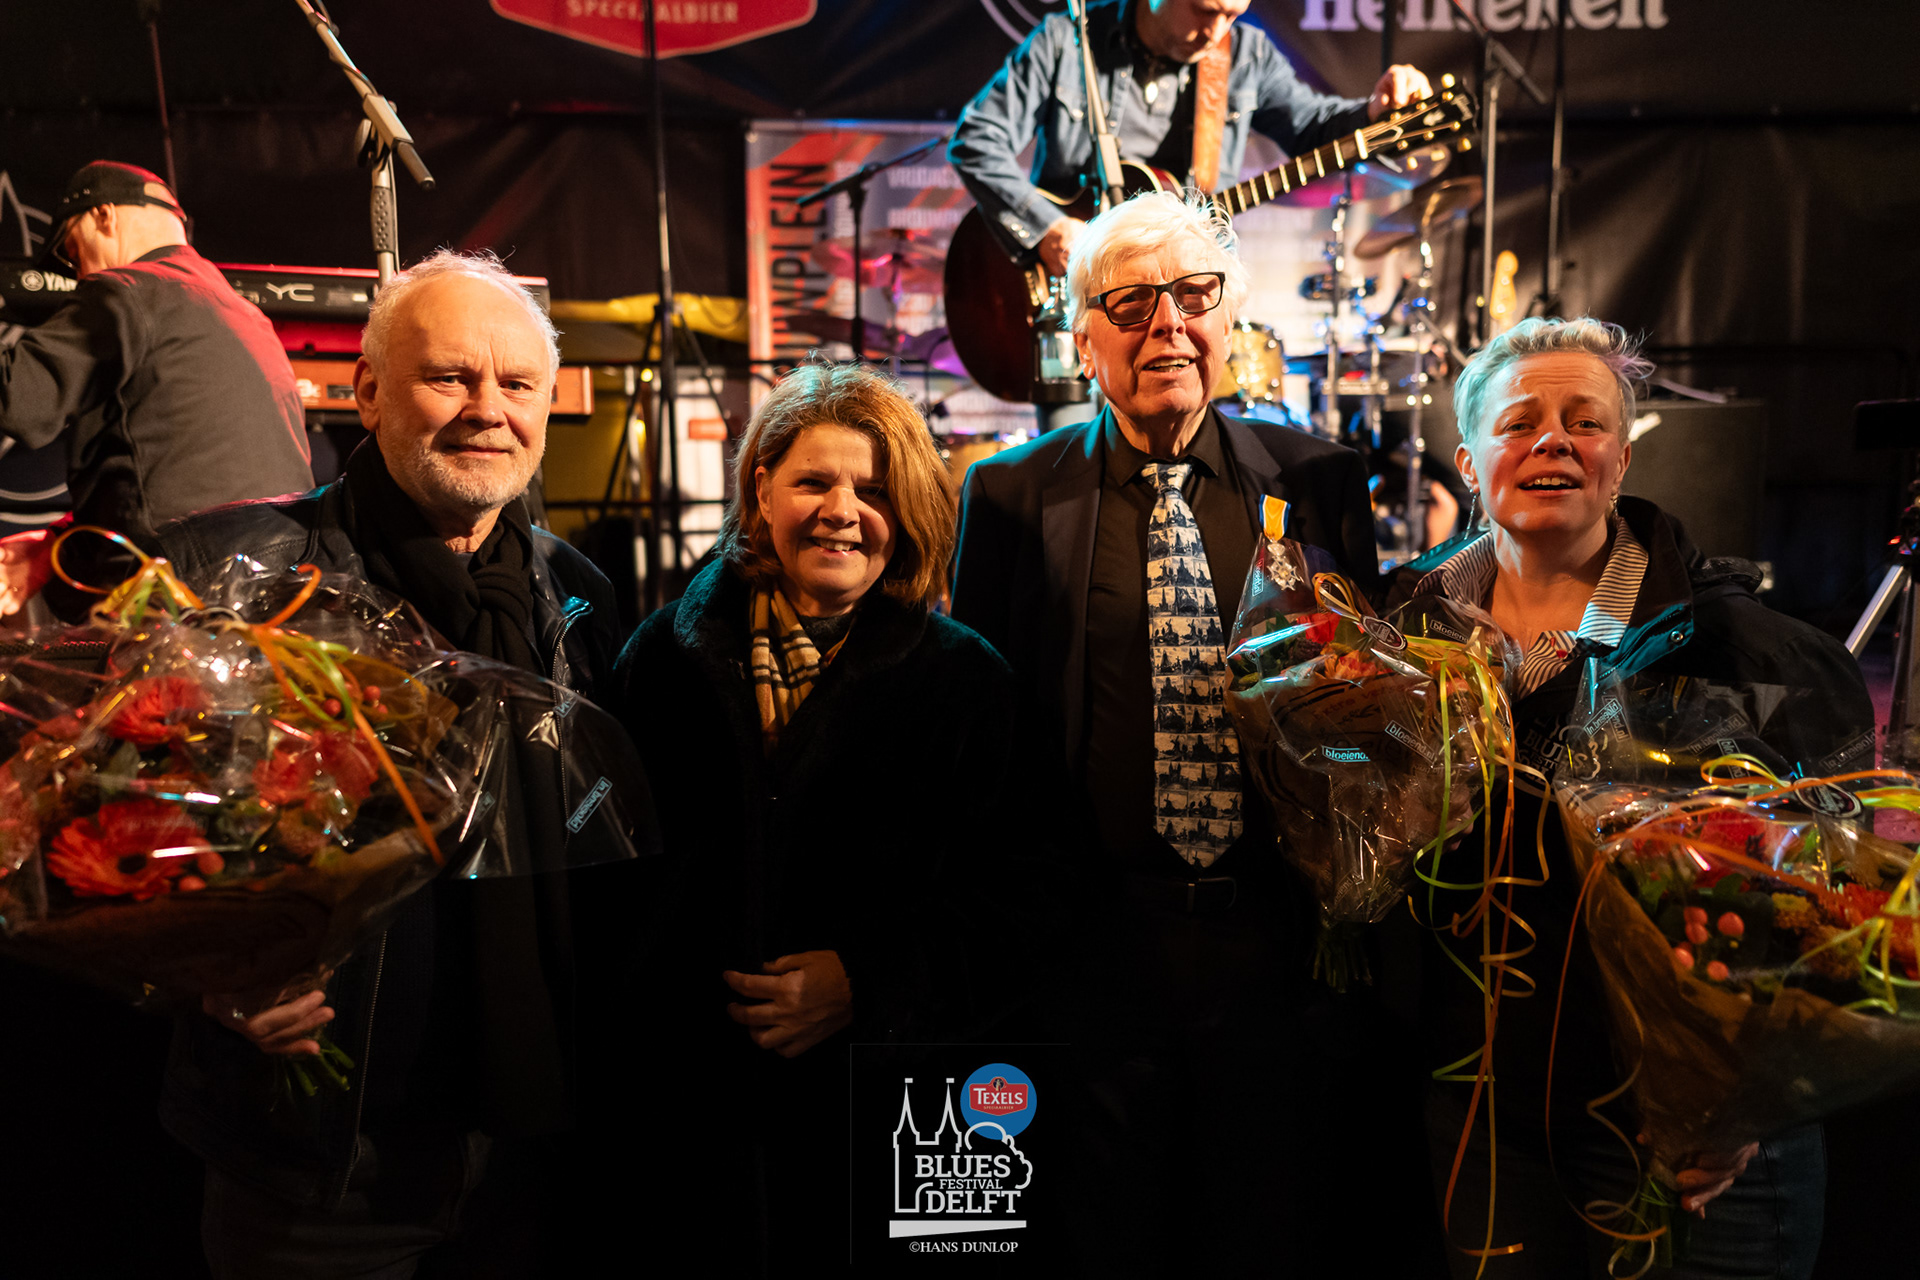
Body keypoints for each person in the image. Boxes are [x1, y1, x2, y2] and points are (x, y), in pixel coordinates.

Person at [949, 189, 1440, 1274]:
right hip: (1095, 942)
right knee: (1106, 1233)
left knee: (1267, 1228)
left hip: (1276, 947)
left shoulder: (1314, 481)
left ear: (1230, 321)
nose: (1167, 323)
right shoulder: (1010, 496)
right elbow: (983, 733)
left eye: (1193, 295)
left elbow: (1361, 697)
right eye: (1129, 302)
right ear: (1084, 341)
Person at [150, 249, 634, 1277]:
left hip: (526, 1160)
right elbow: (119, 838)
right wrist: (204, 977)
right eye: (450, 375)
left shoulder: (578, 597)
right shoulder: (246, 572)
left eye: (517, 385)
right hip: (318, 1173)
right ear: (366, 390)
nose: (486, 409)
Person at [1382, 316, 1870, 1278]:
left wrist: (1741, 1108)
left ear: (1620, 459)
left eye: (1585, 421)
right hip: (1483, 1129)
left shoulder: (1750, 655)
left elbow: (1837, 921)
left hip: (1692, 1154)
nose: (1553, 440)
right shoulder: (1392, 641)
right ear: (1468, 464)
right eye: (1520, 422)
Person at [613, 360, 1046, 1276]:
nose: (842, 510)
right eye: (815, 481)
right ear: (762, 487)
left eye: (873, 490)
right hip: (696, 1121)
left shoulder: (970, 682)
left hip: (900, 1121)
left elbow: (1028, 901)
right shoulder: (659, 660)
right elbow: (613, 891)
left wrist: (871, 981)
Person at [0, 161, 313, 616]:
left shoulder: (124, 291)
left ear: (103, 215)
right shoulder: (248, 317)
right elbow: (177, 473)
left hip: (176, 607)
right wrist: (54, 547)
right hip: (281, 601)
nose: (77, 272)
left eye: (72, 249)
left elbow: (17, 399)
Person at [949, 0, 1433, 276]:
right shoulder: (1067, 39)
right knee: (1074, 453)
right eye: (1205, 11)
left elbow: (1312, 128)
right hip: (1066, 303)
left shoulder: (1242, 54)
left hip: (1181, 298)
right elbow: (975, 138)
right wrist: (1050, 228)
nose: (1216, 32)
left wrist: (1375, 113)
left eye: (1232, 14)